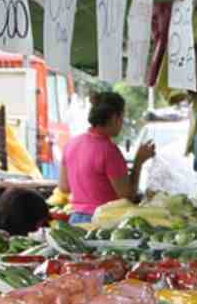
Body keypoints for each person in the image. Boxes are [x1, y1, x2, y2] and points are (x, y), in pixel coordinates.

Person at [63, 91, 155, 224]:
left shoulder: (71, 144)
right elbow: (128, 196)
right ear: (114, 117)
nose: (122, 123)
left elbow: (64, 186)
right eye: (122, 117)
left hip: (76, 220)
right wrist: (138, 162)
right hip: (103, 224)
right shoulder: (109, 151)